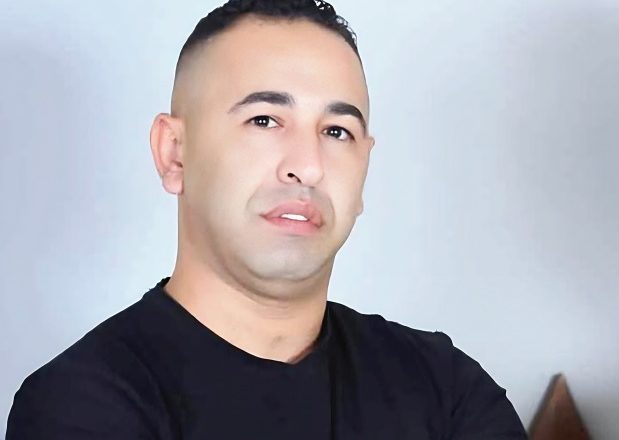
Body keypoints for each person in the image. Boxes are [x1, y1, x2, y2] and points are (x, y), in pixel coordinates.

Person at [6, 1, 529, 439]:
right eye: (264, 120)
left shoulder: (444, 388)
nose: (308, 166)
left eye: (337, 131)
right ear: (174, 153)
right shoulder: (82, 405)